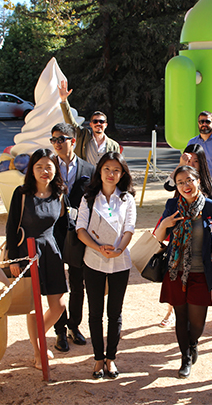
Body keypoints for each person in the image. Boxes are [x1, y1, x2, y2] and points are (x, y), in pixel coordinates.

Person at [154, 165, 212, 379]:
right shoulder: (172, 206)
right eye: (180, 183)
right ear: (176, 186)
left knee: (197, 322)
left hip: (201, 272)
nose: (185, 185)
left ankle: (193, 343)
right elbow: (158, 237)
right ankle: (185, 357)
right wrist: (165, 223)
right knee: (180, 316)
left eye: (189, 180)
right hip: (175, 272)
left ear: (198, 181)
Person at [6, 148, 68, 370]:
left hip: (51, 252)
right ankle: (37, 351)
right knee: (33, 306)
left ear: (55, 170)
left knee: (58, 306)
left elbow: (63, 226)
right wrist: (14, 259)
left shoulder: (60, 193)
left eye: (48, 167)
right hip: (27, 252)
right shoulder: (21, 193)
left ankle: (37, 336)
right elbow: (11, 226)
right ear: (31, 169)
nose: (44, 171)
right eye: (39, 166)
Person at [76, 151, 136, 380]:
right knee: (95, 313)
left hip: (120, 262)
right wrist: (97, 247)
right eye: (107, 169)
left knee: (115, 313)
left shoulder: (127, 199)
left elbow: (129, 227)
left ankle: (111, 358)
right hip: (93, 260)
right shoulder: (88, 198)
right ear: (99, 171)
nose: (111, 174)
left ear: (122, 174)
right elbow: (80, 229)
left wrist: (119, 249)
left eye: (116, 170)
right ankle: (97, 359)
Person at [50, 123, 96, 353]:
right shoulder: (46, 167)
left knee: (78, 284)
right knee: (58, 285)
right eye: (54, 140)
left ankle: (73, 326)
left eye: (62, 139)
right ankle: (59, 331)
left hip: (79, 233)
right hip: (53, 234)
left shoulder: (89, 168)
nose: (57, 143)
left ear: (73, 141)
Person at [58, 80, 121, 166]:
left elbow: (117, 165)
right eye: (95, 121)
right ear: (91, 124)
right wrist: (64, 101)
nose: (98, 123)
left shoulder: (114, 145)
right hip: (86, 178)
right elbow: (71, 122)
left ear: (105, 125)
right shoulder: (83, 136)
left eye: (101, 121)